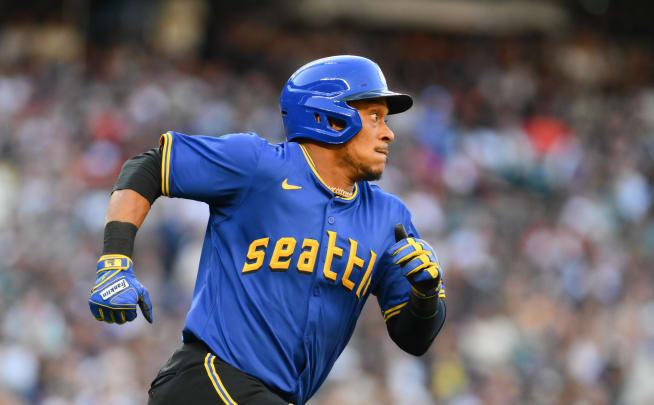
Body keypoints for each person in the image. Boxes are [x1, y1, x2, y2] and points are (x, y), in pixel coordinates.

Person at [88, 55, 446, 405]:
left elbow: (413, 339)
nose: (388, 133)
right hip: (207, 381)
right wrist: (114, 260)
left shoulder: (388, 216)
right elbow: (150, 167)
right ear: (332, 117)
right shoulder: (258, 165)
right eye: (375, 117)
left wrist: (426, 295)